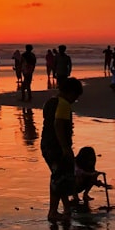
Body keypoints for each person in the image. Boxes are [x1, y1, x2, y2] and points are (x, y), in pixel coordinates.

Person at [41, 77, 83, 221]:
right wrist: (65, 148)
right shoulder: (64, 104)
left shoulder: (50, 102)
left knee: (61, 177)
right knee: (58, 179)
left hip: (46, 145)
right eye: (75, 97)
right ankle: (53, 212)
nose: (75, 100)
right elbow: (58, 125)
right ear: (70, 92)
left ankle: (66, 209)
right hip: (56, 147)